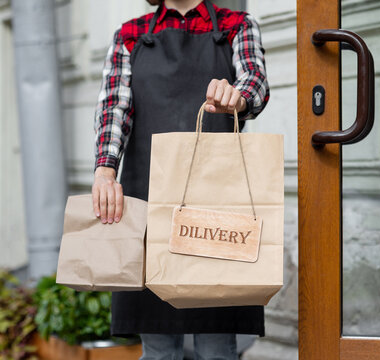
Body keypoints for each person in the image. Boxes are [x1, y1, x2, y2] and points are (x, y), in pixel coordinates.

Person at [92, 0, 270, 358]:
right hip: (148, 196)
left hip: (218, 200)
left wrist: (238, 96)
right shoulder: (131, 35)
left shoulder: (238, 26)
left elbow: (256, 80)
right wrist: (105, 170)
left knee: (217, 344)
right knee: (157, 347)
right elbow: (115, 108)